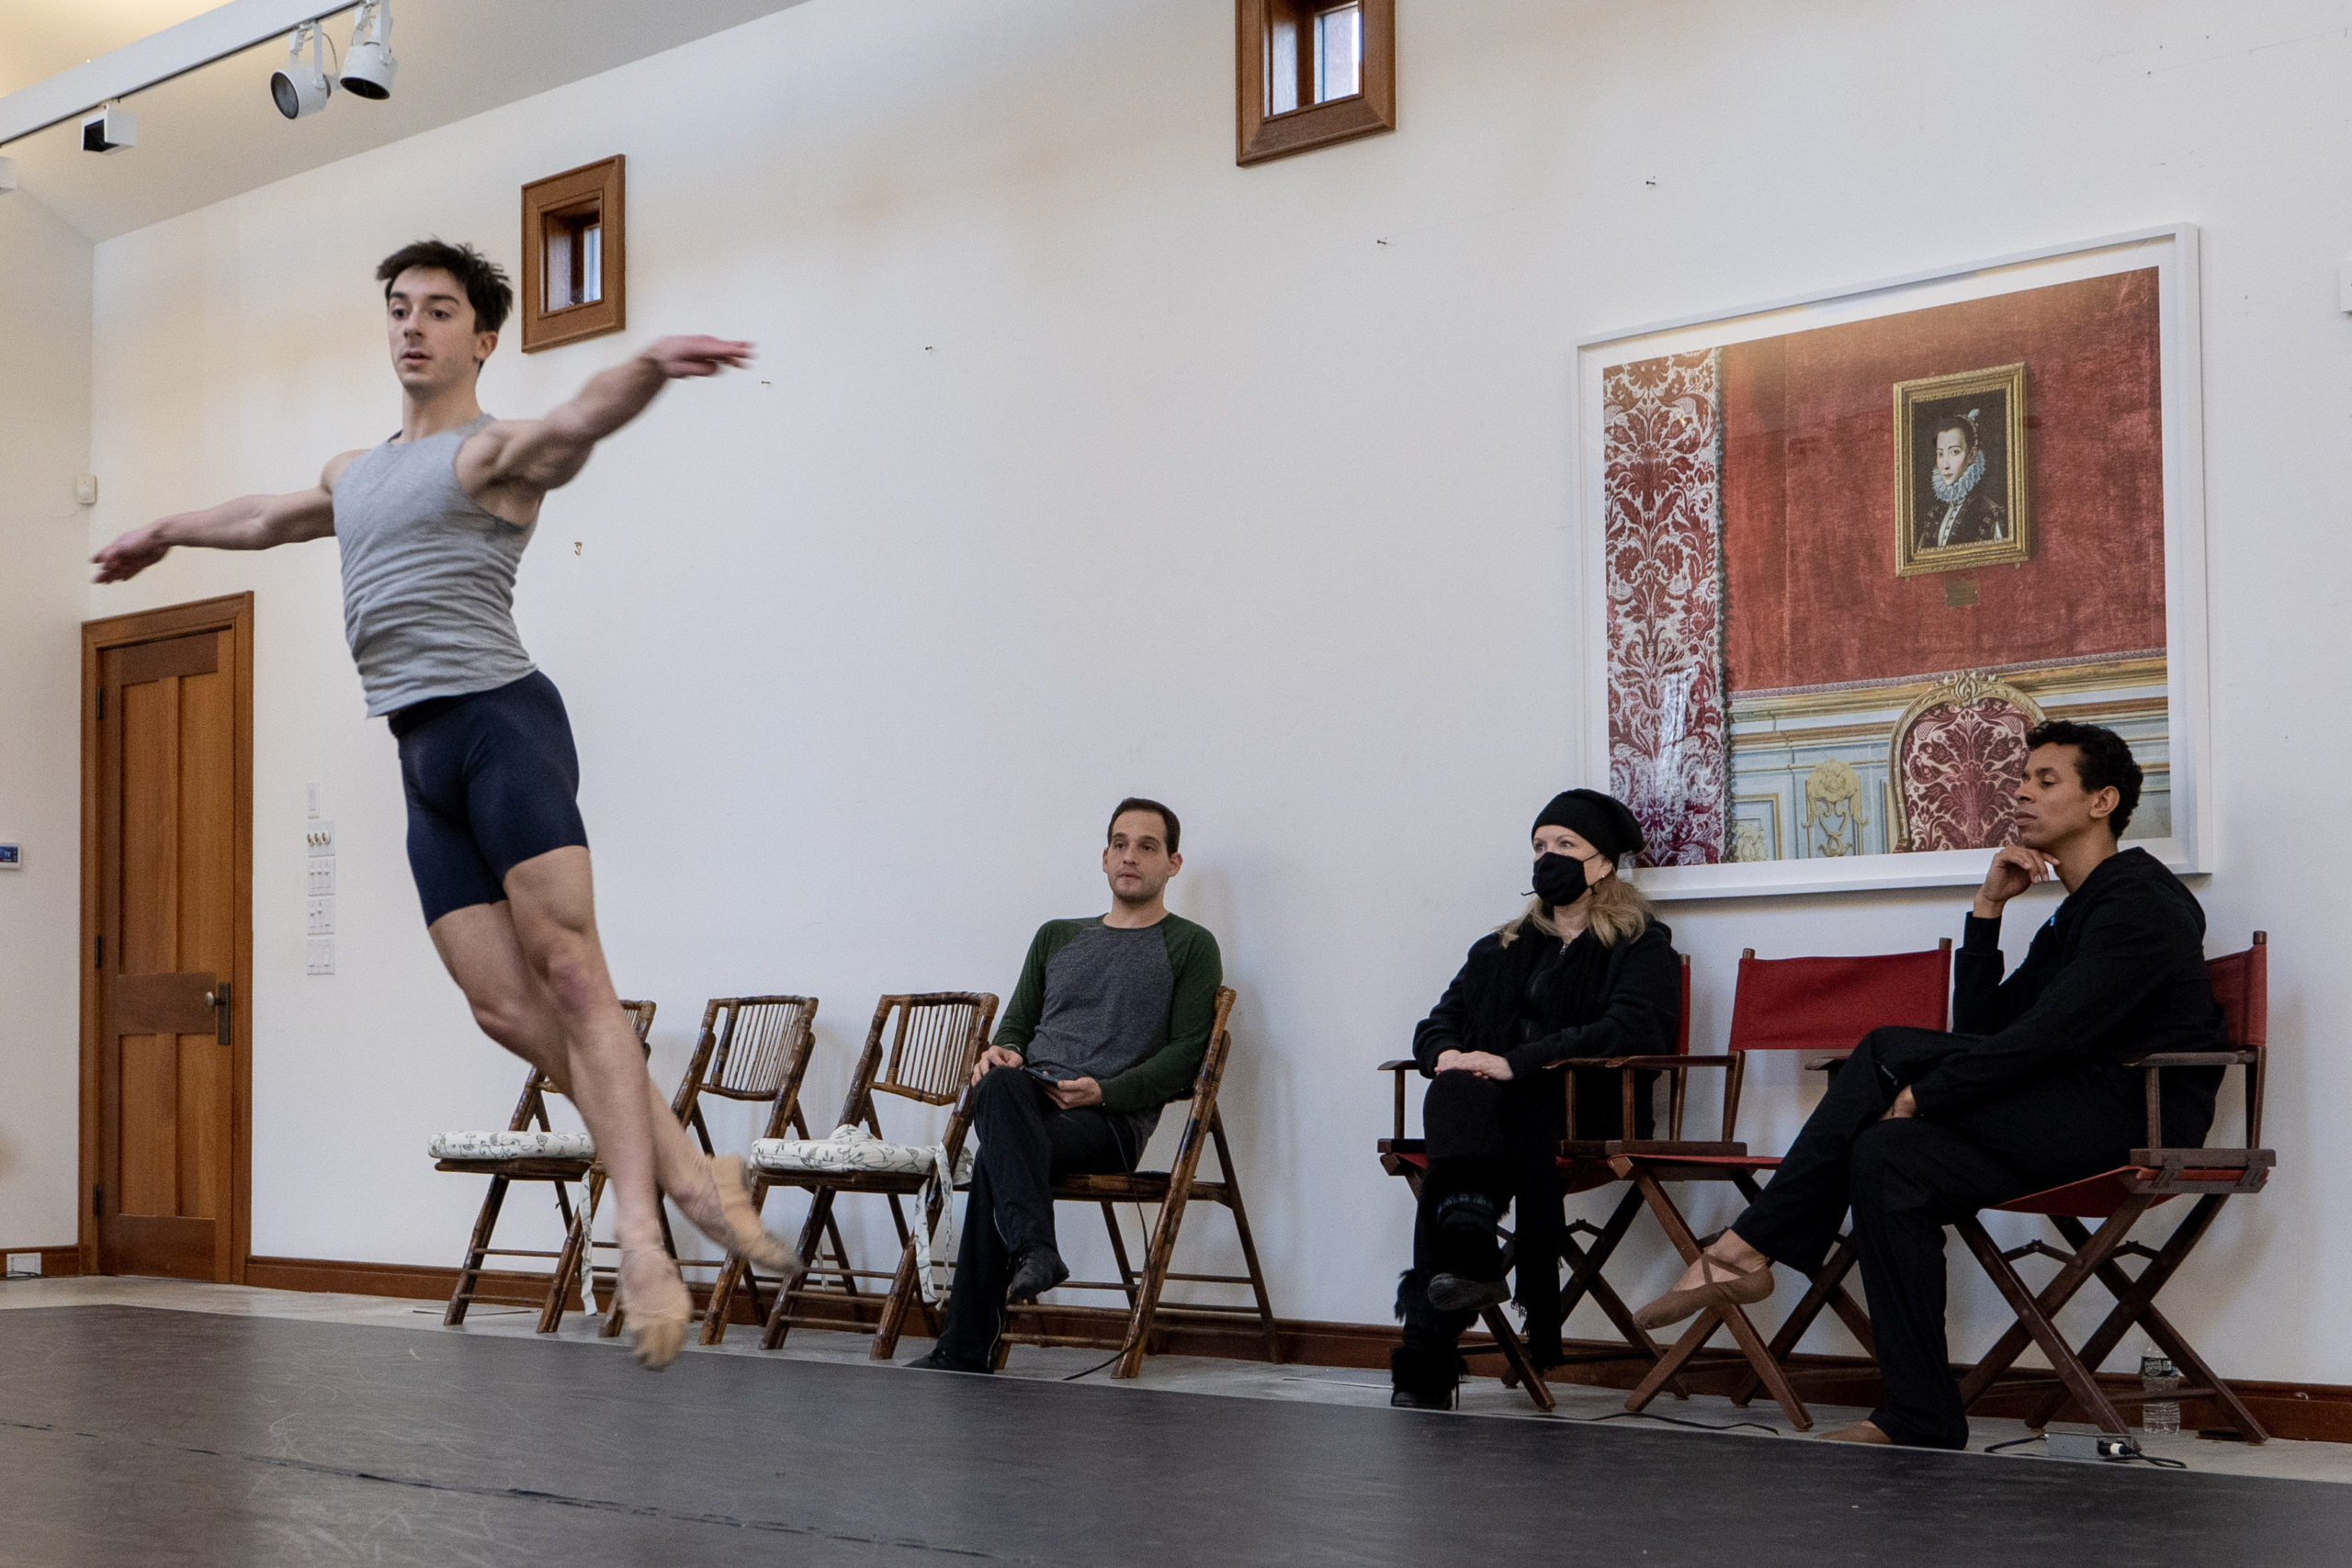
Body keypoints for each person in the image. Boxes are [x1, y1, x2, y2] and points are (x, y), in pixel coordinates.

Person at [91, 240, 790, 1371]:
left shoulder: (490, 457)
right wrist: (165, 530)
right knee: (506, 1012)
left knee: (573, 975)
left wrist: (652, 364)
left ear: (482, 338)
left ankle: (646, 1239)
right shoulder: (356, 471)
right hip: (419, 758)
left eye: (440, 311)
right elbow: (267, 517)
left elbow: (576, 420)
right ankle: (691, 1168)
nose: (413, 327)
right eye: (399, 310)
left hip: (501, 726)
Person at [1633, 721, 2224, 1448]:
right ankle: (1920, 1414)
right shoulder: (2078, 911)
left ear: (2103, 800)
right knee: (1887, 1158)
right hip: (2065, 1110)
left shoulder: (2140, 901)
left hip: (2130, 1115)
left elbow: (2048, 1037)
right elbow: (1984, 1031)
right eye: (2022, 777)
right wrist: (1988, 911)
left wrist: (1927, 1094)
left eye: (2046, 780)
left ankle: (1744, 1249)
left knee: (1887, 1052)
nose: (2021, 791)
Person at [1389, 788, 1681, 1410]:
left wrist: (1514, 1061)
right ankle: (1470, 1256)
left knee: (1454, 1151)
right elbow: (1439, 1021)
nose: (1548, 857)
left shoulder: (1641, 944)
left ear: (1602, 863)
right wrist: (1447, 1053)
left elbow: (1632, 1028)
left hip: (1587, 1109)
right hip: (1494, 1117)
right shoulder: (1499, 948)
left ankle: (1427, 1357)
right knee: (1454, 1088)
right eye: (1540, 846)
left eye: (1565, 845)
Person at [908, 798, 1224, 1372]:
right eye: (1121, 844)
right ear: (1104, 858)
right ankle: (1035, 1248)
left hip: (1108, 1120)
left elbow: (1185, 1057)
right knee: (997, 1082)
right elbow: (1018, 1024)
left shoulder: (1191, 945)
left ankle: (964, 1347)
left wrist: (1105, 1092)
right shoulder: (1056, 935)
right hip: (1031, 1093)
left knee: (994, 1162)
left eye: (1147, 847)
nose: (1132, 857)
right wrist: (1001, 1050)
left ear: (1172, 864)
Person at [1917, 410, 2008, 550]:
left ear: (1971, 455)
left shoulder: (1989, 512)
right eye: (1940, 454)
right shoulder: (1935, 514)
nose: (1946, 465)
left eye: (1954, 452)